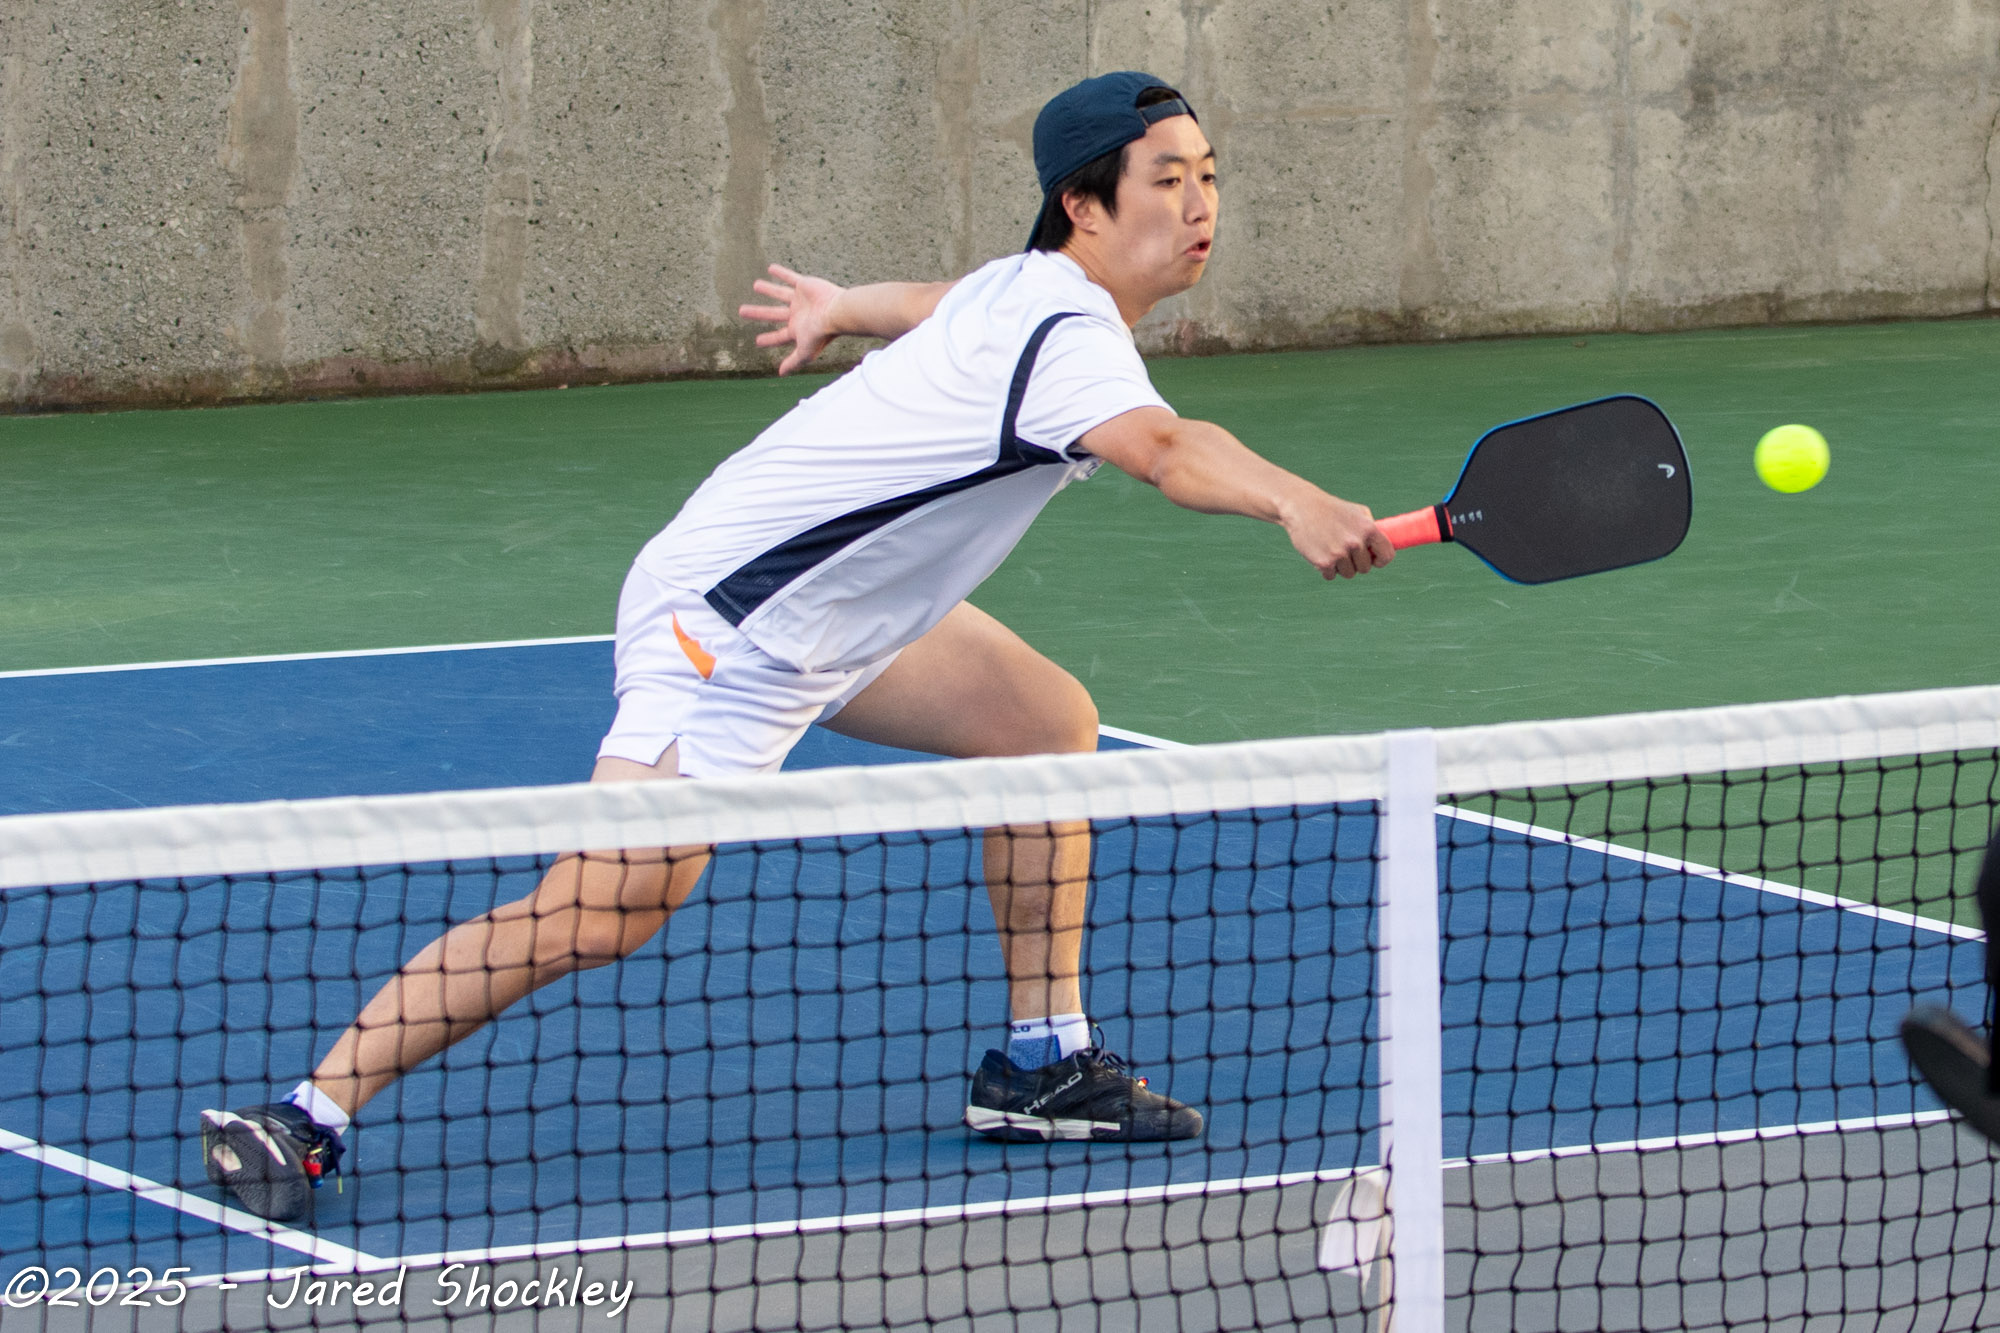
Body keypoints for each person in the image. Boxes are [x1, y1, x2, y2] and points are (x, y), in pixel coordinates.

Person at [199, 70, 1395, 1222]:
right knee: (601, 907)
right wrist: (1295, 502)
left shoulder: (1022, 289)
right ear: (1082, 206)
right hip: (727, 627)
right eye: (1166, 181)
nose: (1198, 205)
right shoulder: (1064, 333)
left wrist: (839, 305)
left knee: (1042, 726)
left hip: (838, 618)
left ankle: (1043, 1063)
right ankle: (304, 1115)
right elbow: (1169, 450)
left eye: (1207, 176)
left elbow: (933, 299)